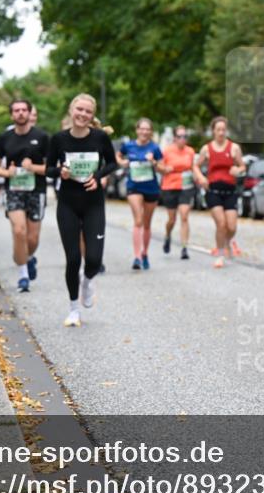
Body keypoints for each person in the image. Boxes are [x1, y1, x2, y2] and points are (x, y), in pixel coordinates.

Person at [46, 94, 118, 327]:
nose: (83, 115)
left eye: (88, 111)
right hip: (68, 203)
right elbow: (48, 169)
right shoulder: (58, 139)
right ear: (71, 110)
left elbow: (112, 163)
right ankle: (74, 309)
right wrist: (61, 173)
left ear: (92, 115)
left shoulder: (99, 138)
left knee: (94, 260)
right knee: (73, 259)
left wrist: (97, 177)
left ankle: (87, 282)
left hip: (93, 203)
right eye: (79, 109)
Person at [0, 100, 50, 292]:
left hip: (36, 191)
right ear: (11, 115)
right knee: (19, 231)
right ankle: (23, 275)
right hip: (14, 191)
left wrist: (32, 168)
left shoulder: (42, 137)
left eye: (24, 110)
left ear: (30, 113)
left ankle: (29, 258)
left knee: (32, 238)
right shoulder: (4, 138)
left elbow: (52, 168)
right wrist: (7, 173)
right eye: (17, 110)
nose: (21, 113)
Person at [194, 117, 246, 268]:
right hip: (213, 191)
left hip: (230, 191)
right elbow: (196, 166)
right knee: (221, 224)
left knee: (232, 227)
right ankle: (221, 254)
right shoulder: (206, 149)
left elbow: (242, 166)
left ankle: (227, 242)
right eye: (218, 130)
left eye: (224, 129)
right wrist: (201, 177)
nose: (221, 133)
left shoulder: (234, 148)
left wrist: (238, 170)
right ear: (213, 131)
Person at [116, 118, 163, 270]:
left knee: (147, 223)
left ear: (151, 132)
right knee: (138, 220)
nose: (144, 132)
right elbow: (118, 155)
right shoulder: (128, 146)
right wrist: (121, 162)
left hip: (151, 188)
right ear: (137, 130)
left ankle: (145, 253)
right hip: (134, 186)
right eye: (142, 129)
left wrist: (154, 162)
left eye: (147, 129)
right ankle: (136, 257)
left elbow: (163, 168)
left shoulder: (155, 148)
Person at [158, 125, 197, 260]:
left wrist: (198, 177)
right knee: (172, 219)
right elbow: (159, 166)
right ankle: (168, 235)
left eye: (185, 136)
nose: (183, 139)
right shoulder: (167, 151)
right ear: (174, 138)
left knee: (184, 216)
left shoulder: (190, 151)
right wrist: (164, 169)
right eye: (180, 136)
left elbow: (193, 167)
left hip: (186, 187)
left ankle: (184, 248)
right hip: (170, 186)